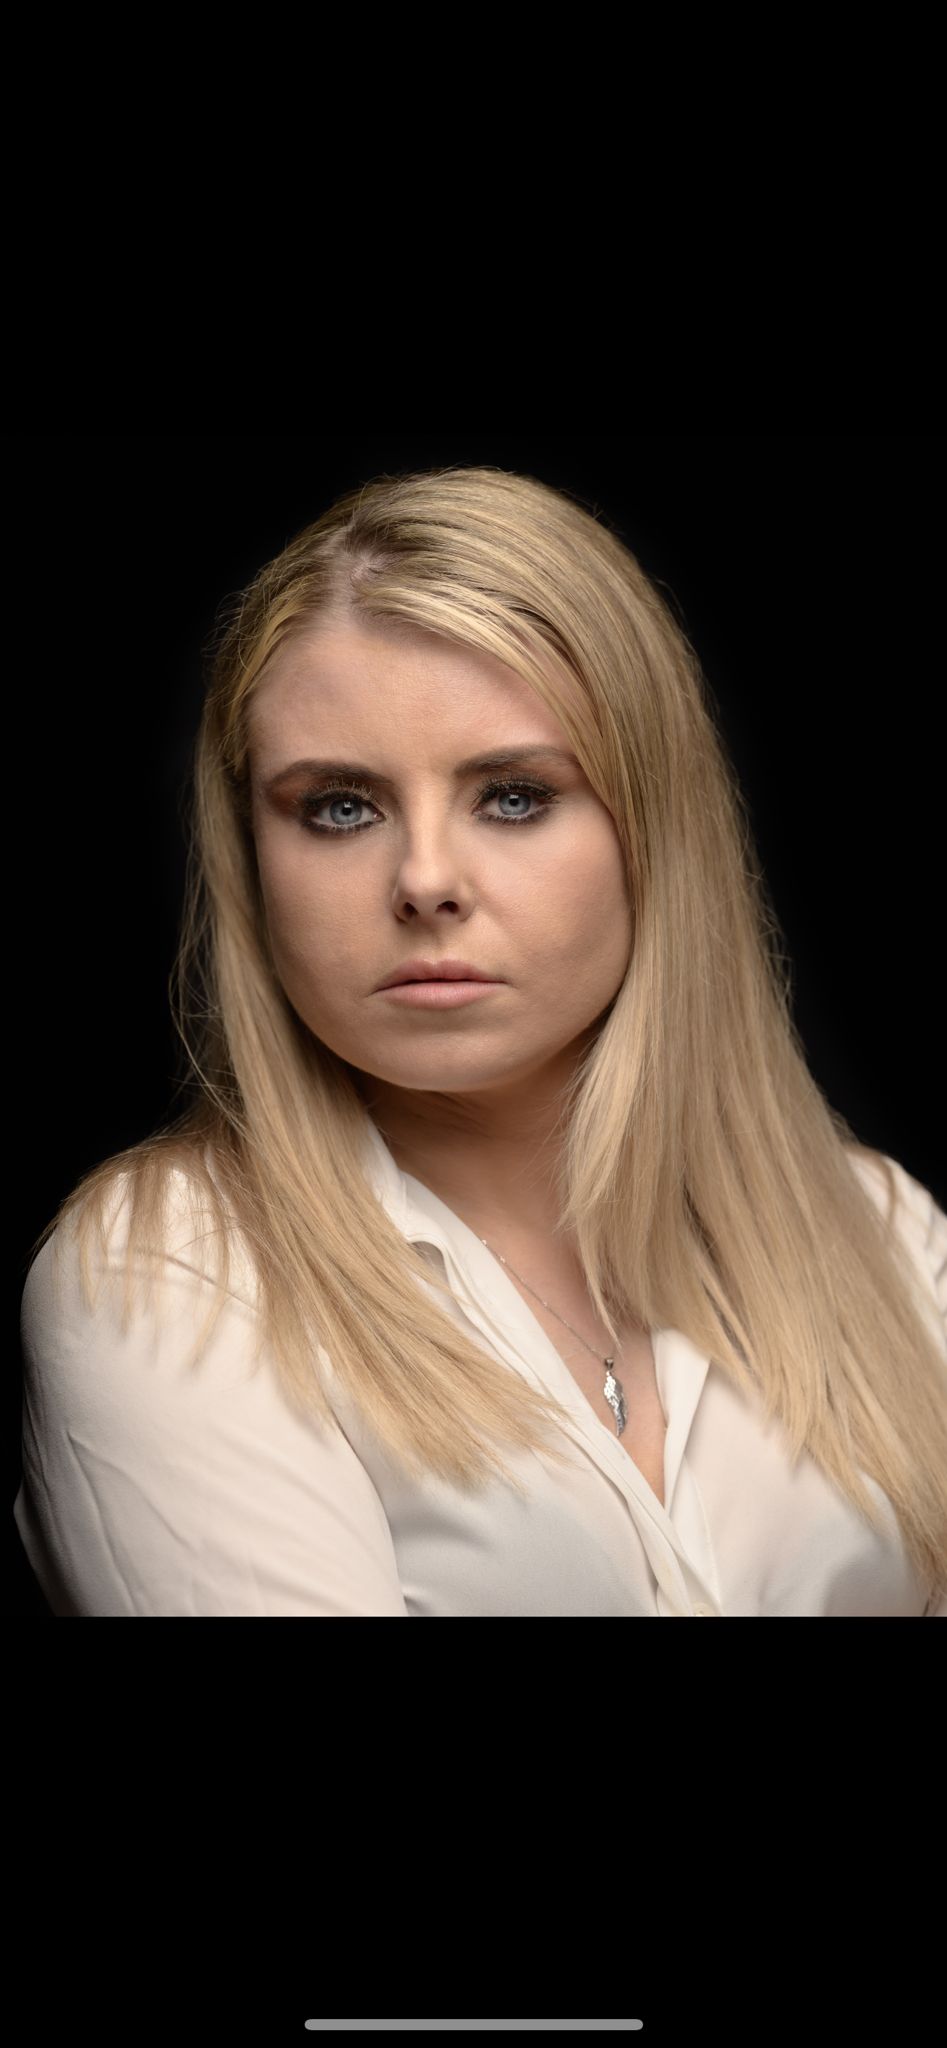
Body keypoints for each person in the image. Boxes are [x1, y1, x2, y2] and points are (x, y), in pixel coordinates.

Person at [15, 464, 947, 1616]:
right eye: (339, 806)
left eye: (511, 794)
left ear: (655, 829)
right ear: (252, 856)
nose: (424, 880)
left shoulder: (883, 1232)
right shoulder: (172, 1271)